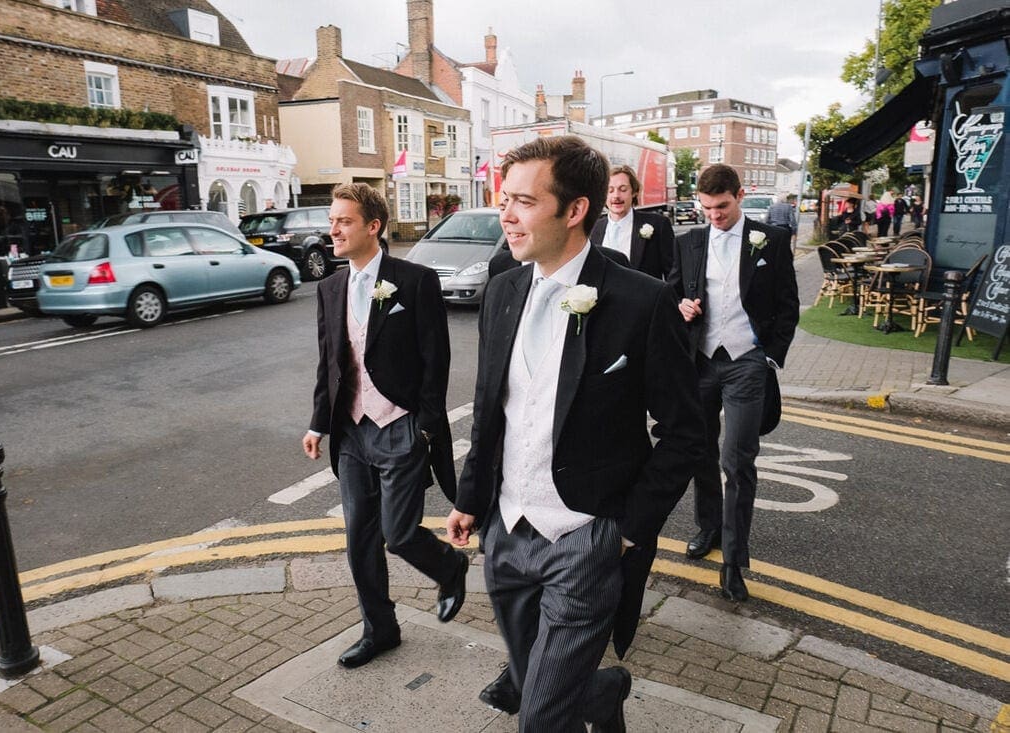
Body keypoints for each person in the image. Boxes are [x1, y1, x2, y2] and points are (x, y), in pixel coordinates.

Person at [447, 136, 704, 731]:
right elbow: (490, 409)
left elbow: (686, 432)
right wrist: (470, 497)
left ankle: (588, 693)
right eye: (505, 201)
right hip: (505, 532)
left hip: (585, 537)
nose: (507, 216)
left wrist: (627, 530)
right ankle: (602, 692)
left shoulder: (642, 301)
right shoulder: (503, 289)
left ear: (575, 209)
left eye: (524, 202)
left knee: (539, 718)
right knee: (540, 680)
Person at [302, 182, 468, 669]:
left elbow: (436, 360)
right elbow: (330, 364)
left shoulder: (415, 281)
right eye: (332, 221)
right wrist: (318, 424)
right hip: (351, 431)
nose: (334, 230)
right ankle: (380, 629)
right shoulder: (330, 288)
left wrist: (426, 425)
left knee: (399, 534)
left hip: (400, 424)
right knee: (360, 540)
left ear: (373, 226)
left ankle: (449, 566)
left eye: (344, 221)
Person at [670, 163, 800, 603]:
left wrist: (769, 357)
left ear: (740, 196)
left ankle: (732, 561)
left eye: (722, 207)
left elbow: (788, 305)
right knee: (701, 452)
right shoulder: (688, 242)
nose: (715, 216)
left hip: (747, 361)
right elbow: (672, 292)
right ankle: (708, 526)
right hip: (702, 361)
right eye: (707, 208)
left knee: (738, 460)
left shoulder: (771, 240)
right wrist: (682, 307)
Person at [587, 164, 675, 279]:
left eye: (623, 189)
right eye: (610, 190)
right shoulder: (592, 228)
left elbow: (673, 273)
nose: (616, 196)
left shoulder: (659, 224)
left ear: (634, 192)